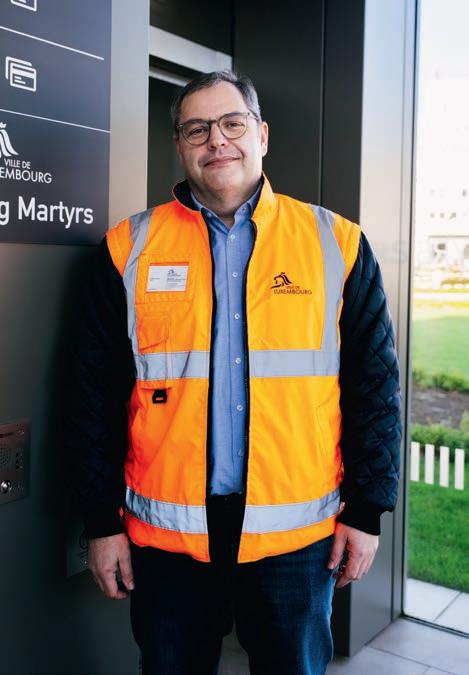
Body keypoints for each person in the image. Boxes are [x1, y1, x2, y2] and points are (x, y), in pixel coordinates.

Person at [67, 70, 401, 675]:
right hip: (168, 540)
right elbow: (94, 396)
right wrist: (100, 522)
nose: (216, 140)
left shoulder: (338, 243)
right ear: (179, 145)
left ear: (261, 135)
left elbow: (375, 389)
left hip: (296, 542)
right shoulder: (128, 247)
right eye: (197, 129)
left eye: (231, 123)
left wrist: (366, 510)